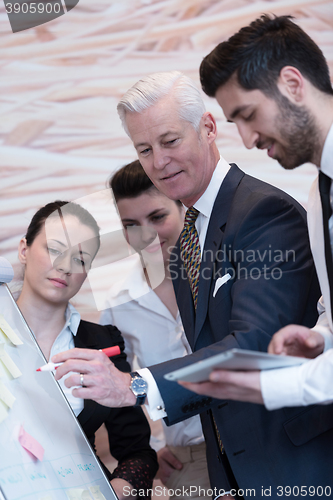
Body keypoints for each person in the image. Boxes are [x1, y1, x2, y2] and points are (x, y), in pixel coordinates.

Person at [53, 71, 328, 498]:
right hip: (235, 471)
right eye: (144, 149)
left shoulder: (263, 212)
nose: (158, 161)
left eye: (169, 141)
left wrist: (136, 385)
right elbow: (205, 353)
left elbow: (253, 341)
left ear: (209, 128)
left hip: (292, 463)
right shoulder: (186, 242)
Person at [180, 13, 333, 410]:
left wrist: (276, 387)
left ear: (293, 84)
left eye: (248, 116)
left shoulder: (276, 208)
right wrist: (322, 335)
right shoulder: (319, 194)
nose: (247, 141)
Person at [16, 200, 158, 499]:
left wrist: (119, 491)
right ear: (24, 249)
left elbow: (138, 453)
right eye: (54, 249)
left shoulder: (102, 344)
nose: (65, 266)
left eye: (80, 259)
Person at [100, 159, 211, 500]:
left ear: (183, 209)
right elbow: (122, 391)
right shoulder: (117, 305)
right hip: (187, 461)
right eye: (131, 224)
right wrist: (154, 446)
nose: (146, 235)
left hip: (258, 440)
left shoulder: (221, 273)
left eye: (157, 217)